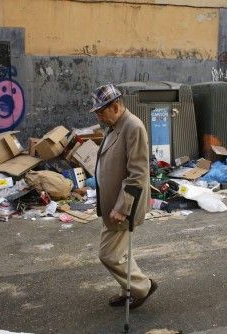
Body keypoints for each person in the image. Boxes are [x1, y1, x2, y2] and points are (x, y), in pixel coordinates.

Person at [89, 83, 157, 309]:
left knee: (108, 254)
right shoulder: (115, 124)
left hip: (122, 205)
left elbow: (138, 173)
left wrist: (122, 208)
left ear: (115, 106)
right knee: (118, 252)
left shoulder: (133, 127)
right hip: (112, 203)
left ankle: (141, 287)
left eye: (101, 112)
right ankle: (128, 288)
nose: (99, 117)